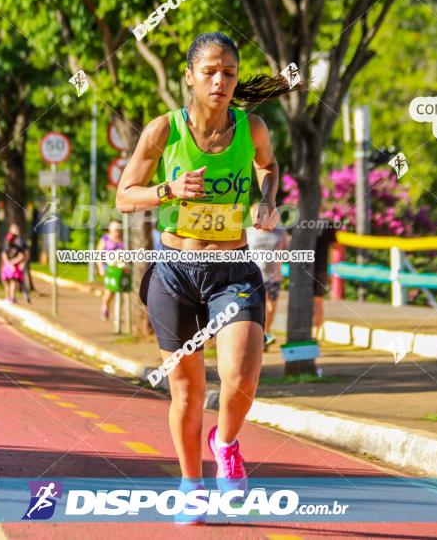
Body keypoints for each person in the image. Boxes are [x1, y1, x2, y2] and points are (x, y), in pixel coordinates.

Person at [116, 32, 300, 525]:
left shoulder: (252, 127)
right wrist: (168, 189)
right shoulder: (163, 130)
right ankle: (191, 485)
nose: (220, 81)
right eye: (210, 72)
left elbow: (269, 167)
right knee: (187, 391)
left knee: (241, 378)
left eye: (229, 73)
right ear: (190, 77)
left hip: (232, 269)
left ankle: (227, 442)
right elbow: (124, 195)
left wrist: (266, 199)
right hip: (174, 272)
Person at [246, 214, 288, 350]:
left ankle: (266, 331)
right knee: (260, 306)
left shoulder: (280, 232)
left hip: (273, 276)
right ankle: (260, 335)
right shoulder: (249, 231)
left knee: (271, 306)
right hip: (254, 277)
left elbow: (287, 249)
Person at [312, 219, 337, 340]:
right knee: (317, 302)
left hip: (309, 267)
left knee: (314, 302)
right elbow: (335, 244)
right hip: (320, 267)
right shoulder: (328, 223)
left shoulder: (301, 221)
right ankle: (315, 334)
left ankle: (313, 333)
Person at [96, 221, 125, 320]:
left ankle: (118, 316)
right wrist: (100, 267)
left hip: (121, 268)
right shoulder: (105, 239)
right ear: (110, 229)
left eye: (118, 229)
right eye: (115, 229)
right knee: (110, 291)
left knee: (121, 292)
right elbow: (99, 254)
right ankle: (105, 307)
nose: (117, 232)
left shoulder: (123, 239)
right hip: (109, 268)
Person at [0, 226, 25, 304]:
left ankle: (9, 298)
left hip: (8, 267)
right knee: (12, 283)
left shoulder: (7, 247)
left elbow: (4, 257)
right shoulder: (14, 247)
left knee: (9, 284)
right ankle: (11, 298)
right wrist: (13, 263)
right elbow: (21, 256)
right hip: (13, 267)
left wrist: (10, 263)